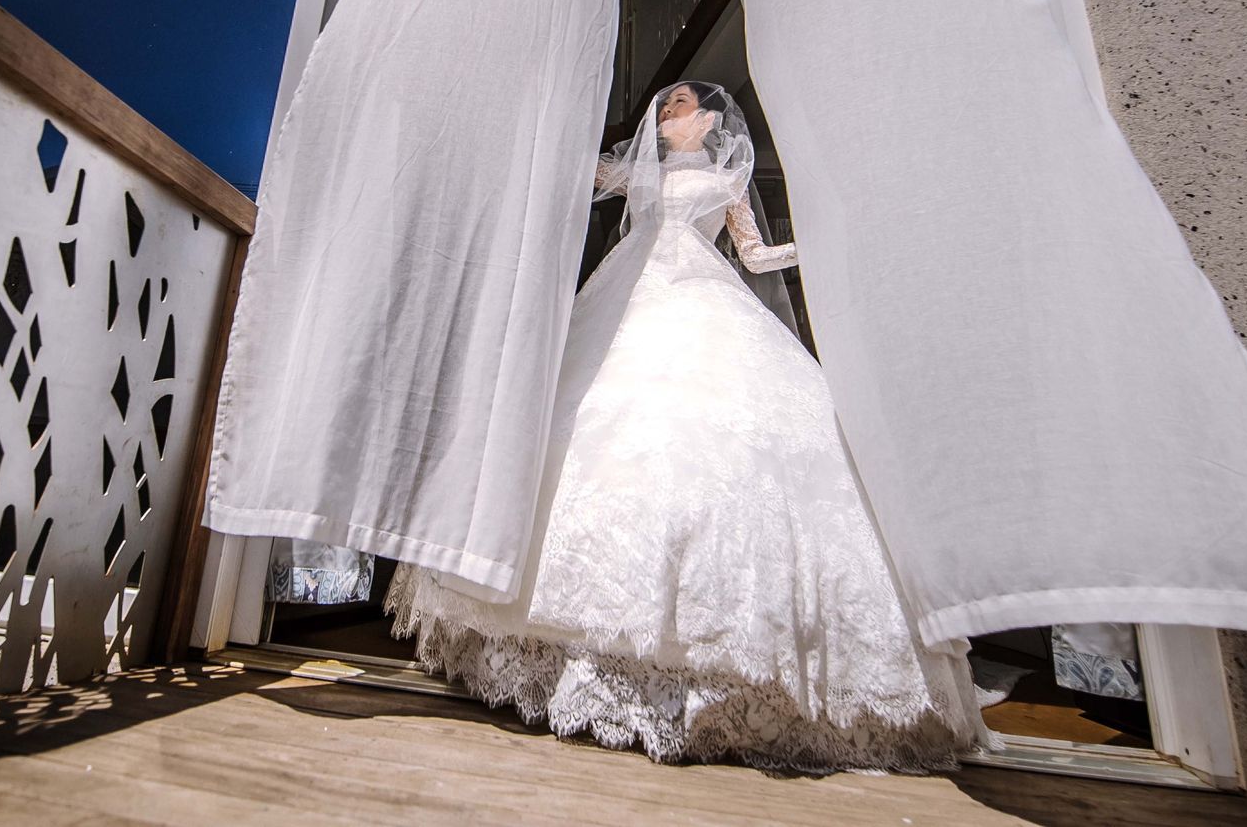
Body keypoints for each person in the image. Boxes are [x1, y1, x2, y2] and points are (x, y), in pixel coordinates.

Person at [387, 81, 994, 772]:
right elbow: (583, 169)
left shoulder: (726, 176)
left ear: (709, 119)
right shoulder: (640, 172)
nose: (669, 110)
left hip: (703, 295)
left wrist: (820, 244)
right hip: (628, 292)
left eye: (682, 103)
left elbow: (756, 254)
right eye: (664, 104)